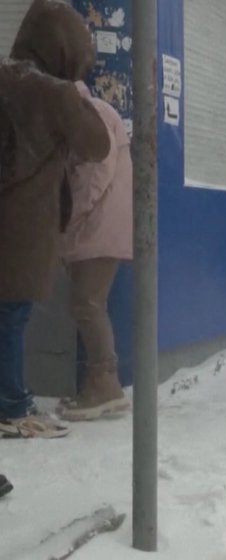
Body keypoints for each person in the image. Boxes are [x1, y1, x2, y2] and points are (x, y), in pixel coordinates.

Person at [0, 0, 111, 439]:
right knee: (11, 314)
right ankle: (12, 405)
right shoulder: (55, 94)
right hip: (23, 226)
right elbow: (98, 145)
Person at [56, 80, 133, 422]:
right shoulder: (95, 113)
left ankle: (106, 386)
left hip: (97, 228)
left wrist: (67, 222)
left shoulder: (93, 115)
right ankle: (100, 383)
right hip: (102, 227)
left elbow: (91, 179)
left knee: (87, 304)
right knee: (87, 303)